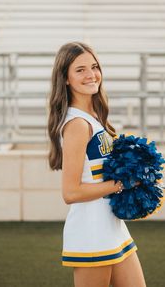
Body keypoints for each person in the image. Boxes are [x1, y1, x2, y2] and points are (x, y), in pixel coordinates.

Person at [48, 42, 146, 287]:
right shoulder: (77, 125)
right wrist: (121, 184)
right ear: (66, 78)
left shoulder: (93, 118)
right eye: (80, 70)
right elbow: (70, 193)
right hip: (91, 230)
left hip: (111, 224)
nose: (91, 74)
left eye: (94, 66)